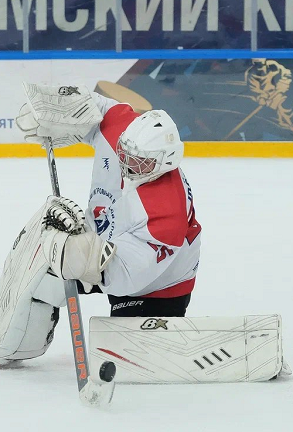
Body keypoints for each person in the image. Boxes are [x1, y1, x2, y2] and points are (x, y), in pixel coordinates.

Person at [17, 88, 201, 318]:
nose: (125, 162)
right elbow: (99, 109)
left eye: (136, 162)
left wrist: (80, 258)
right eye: (124, 153)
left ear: (162, 163)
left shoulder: (166, 213)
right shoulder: (130, 137)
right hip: (111, 239)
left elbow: (126, 272)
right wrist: (59, 111)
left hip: (159, 286)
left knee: (128, 352)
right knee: (41, 280)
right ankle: (16, 344)